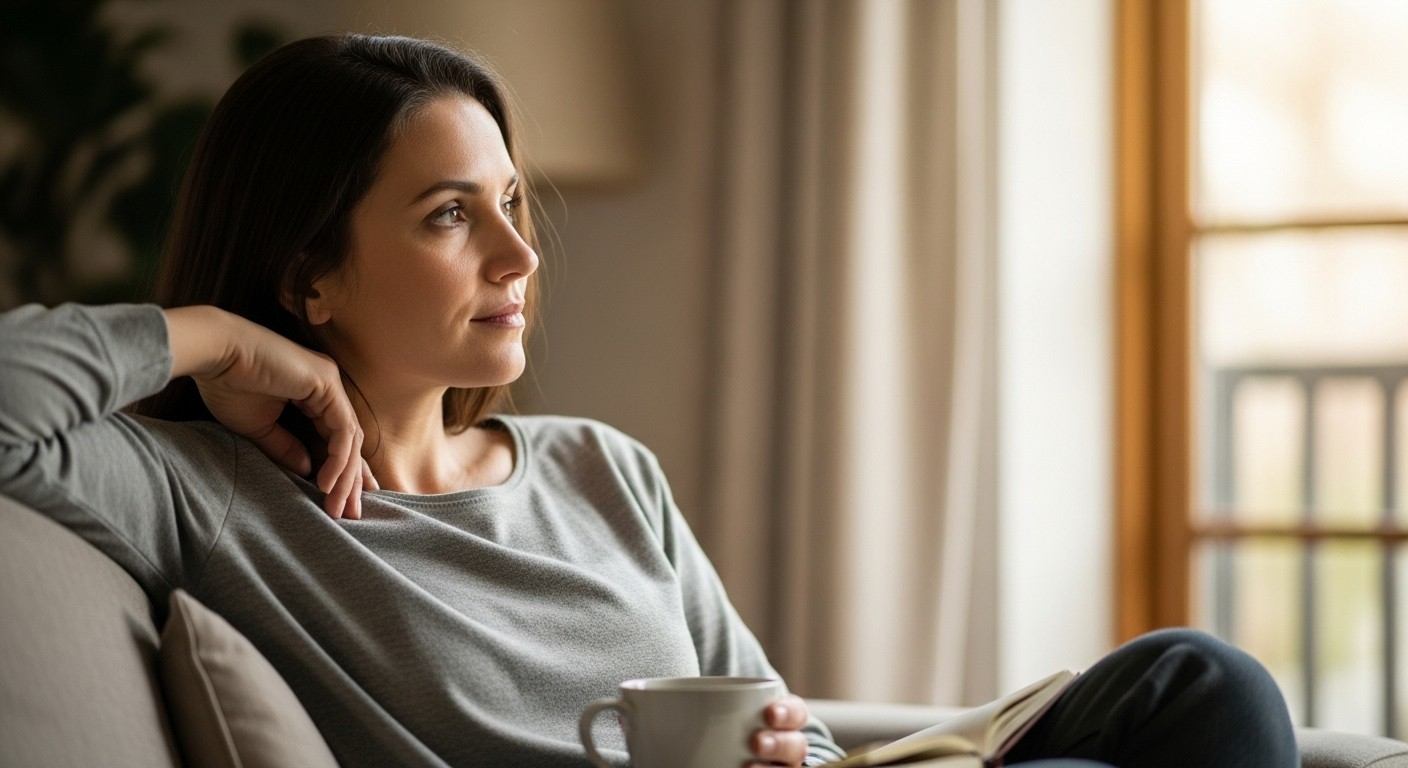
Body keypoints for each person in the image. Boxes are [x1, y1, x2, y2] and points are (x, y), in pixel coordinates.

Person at [0, 34, 1298, 768]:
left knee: (1207, 683)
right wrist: (211, 337)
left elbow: (767, 710)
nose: (518, 258)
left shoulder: (595, 469)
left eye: (513, 206)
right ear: (310, 277)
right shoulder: (196, 495)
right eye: (452, 218)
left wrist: (786, 747)